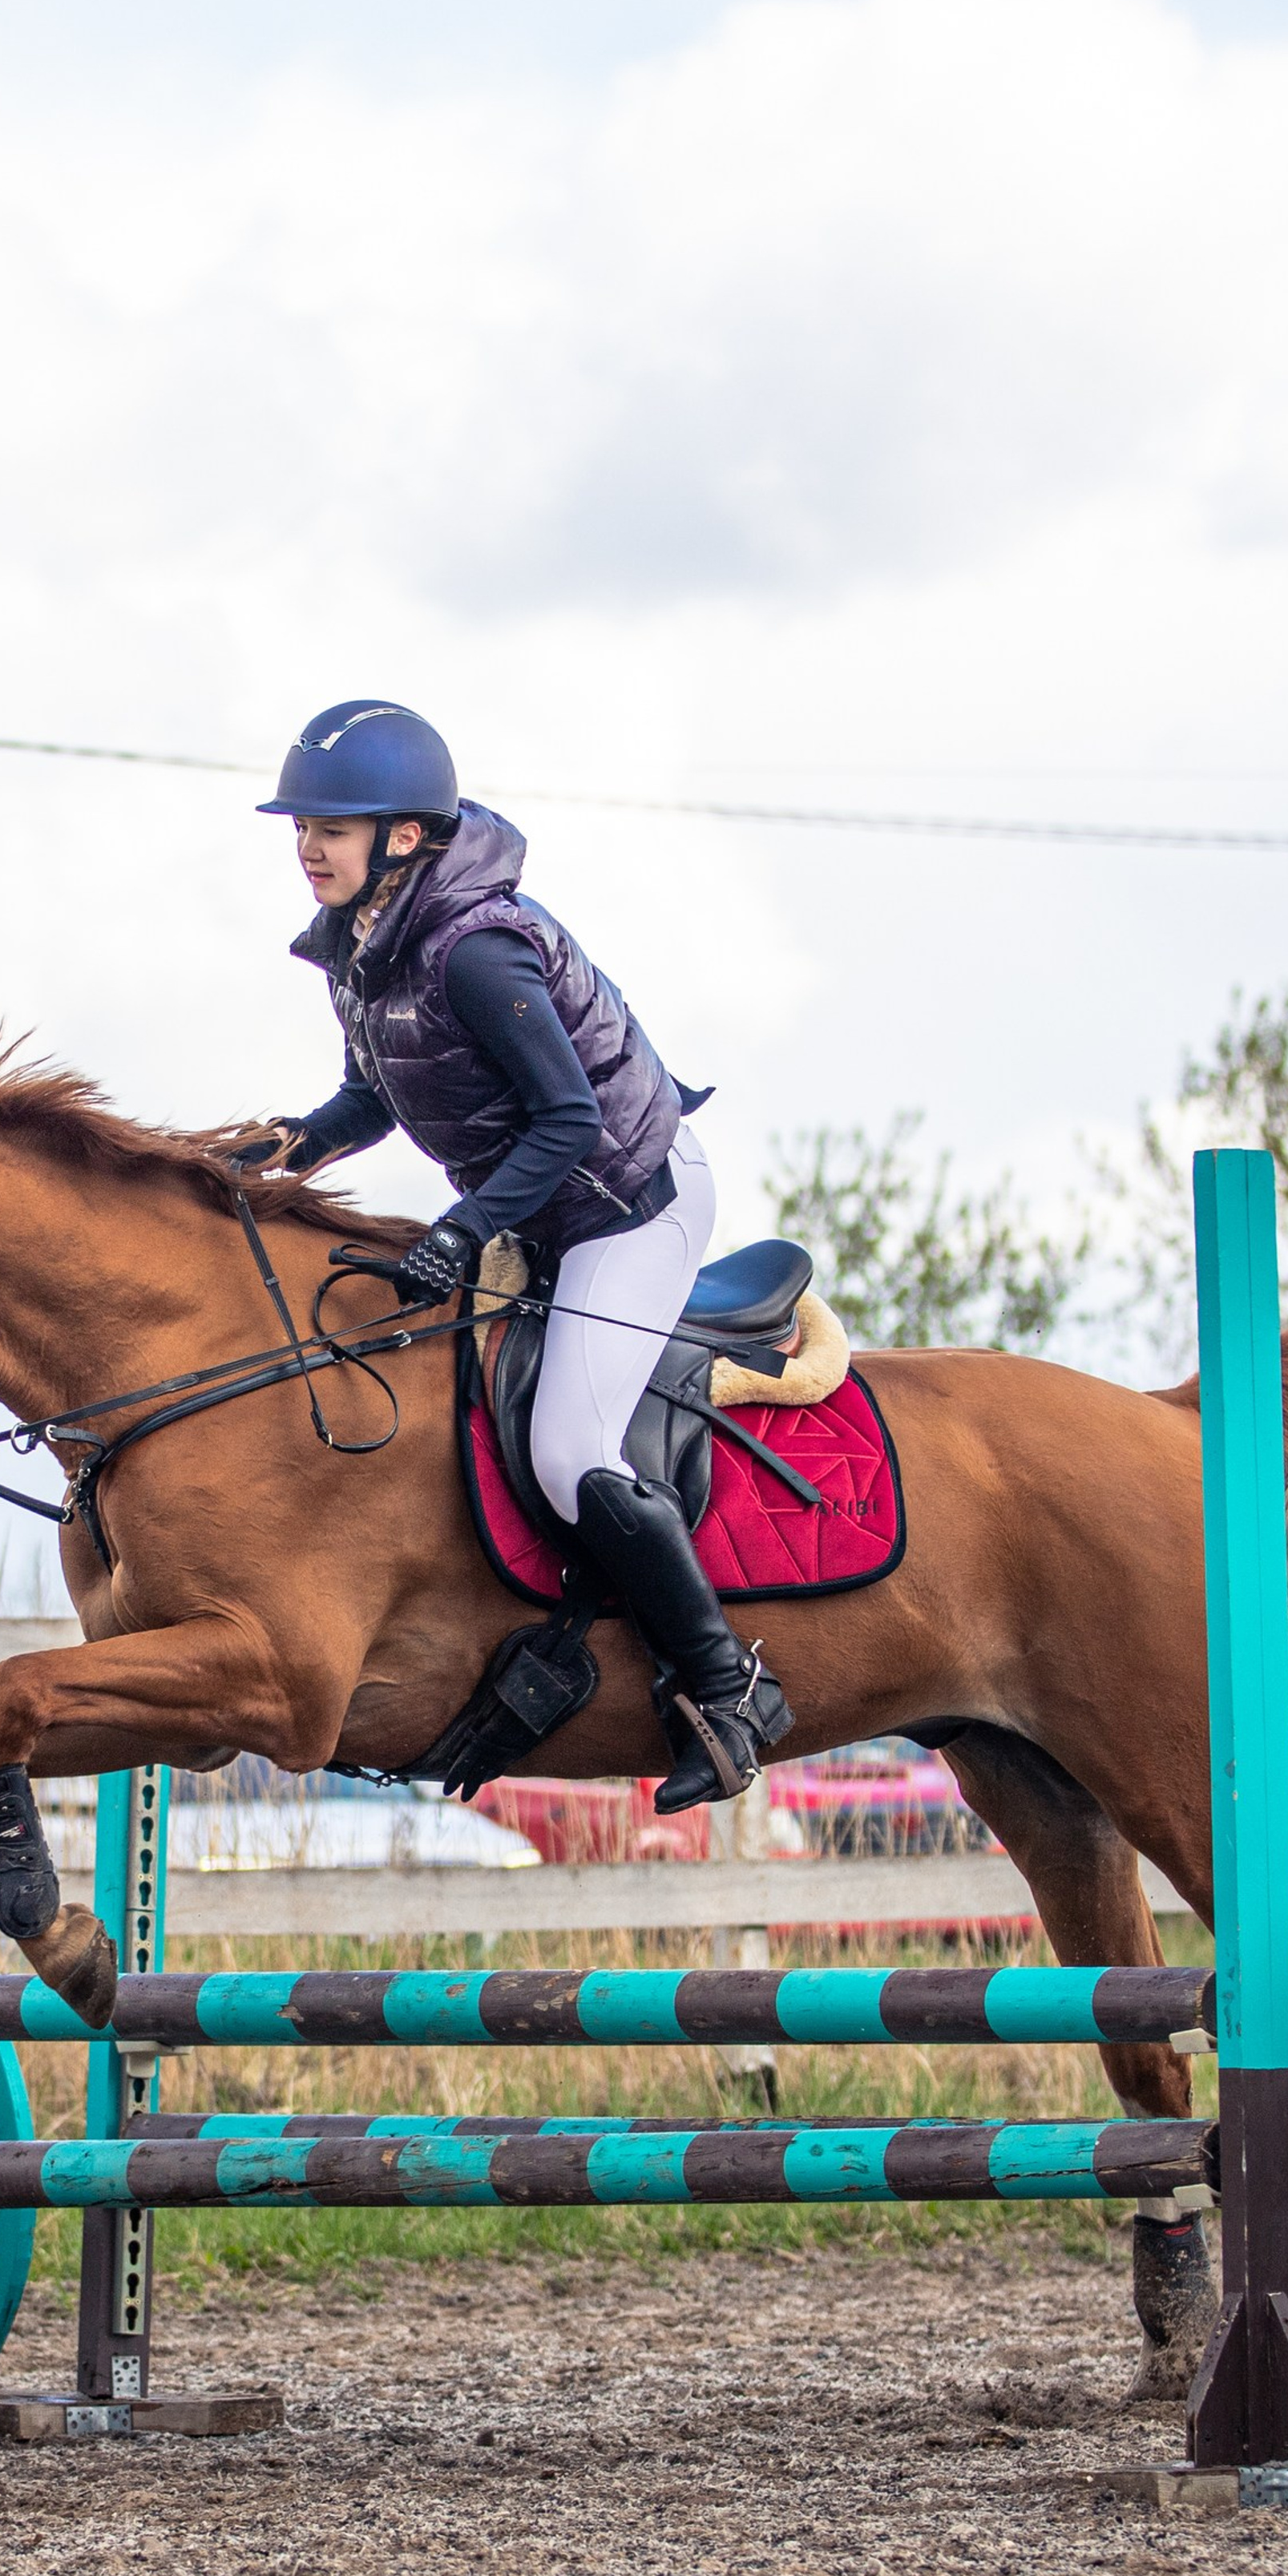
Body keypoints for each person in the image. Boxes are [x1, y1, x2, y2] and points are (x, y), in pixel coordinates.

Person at [251, 696, 792, 1811]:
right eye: (300, 826)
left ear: (404, 837)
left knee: (568, 1448)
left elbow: (570, 1124)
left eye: (331, 827)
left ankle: (729, 1687)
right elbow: (377, 1093)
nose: (308, 846)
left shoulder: (476, 949)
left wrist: (462, 1230)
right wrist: (295, 1143)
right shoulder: (368, 949)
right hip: (545, 1204)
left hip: (630, 1202)